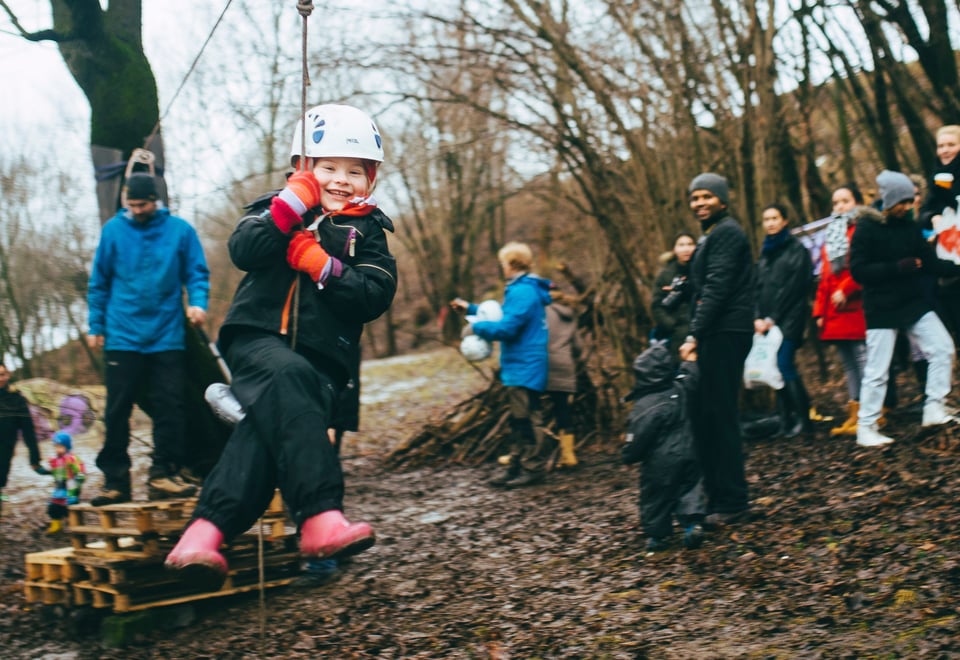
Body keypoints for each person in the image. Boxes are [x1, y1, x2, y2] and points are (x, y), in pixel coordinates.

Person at [164, 104, 397, 589]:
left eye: (355, 172)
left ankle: (204, 534)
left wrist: (322, 265)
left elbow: (375, 295)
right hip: (257, 340)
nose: (340, 180)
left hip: (322, 359)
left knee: (269, 431)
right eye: (328, 167)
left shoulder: (368, 233)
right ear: (303, 166)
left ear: (370, 180)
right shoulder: (277, 206)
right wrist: (291, 206)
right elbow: (244, 250)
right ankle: (319, 518)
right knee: (289, 382)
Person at [86, 172, 209, 505]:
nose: (136, 210)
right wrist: (96, 325)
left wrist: (198, 302)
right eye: (131, 204)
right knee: (116, 410)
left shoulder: (179, 231)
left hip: (166, 334)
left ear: (156, 201)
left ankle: (164, 473)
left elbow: (196, 272)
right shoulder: (113, 231)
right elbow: (99, 281)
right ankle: (115, 481)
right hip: (122, 335)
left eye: (142, 204)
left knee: (171, 405)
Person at [849, 170, 960, 447]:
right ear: (890, 200)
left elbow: (930, 262)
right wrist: (896, 268)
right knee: (877, 369)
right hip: (881, 307)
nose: (909, 206)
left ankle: (934, 407)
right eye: (904, 201)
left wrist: (957, 266)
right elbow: (859, 270)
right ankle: (866, 426)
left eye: (911, 201)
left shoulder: (909, 227)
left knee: (943, 347)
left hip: (912, 303)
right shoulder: (866, 228)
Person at [678, 173, 754, 528]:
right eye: (695, 198)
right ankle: (717, 494)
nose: (700, 203)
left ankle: (733, 501)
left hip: (726, 331)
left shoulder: (727, 232)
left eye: (707, 196)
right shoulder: (711, 235)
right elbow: (704, 282)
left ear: (723, 200)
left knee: (720, 417)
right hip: (717, 331)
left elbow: (718, 286)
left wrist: (694, 334)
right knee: (708, 416)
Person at [451, 241, 552, 488]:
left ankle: (532, 468)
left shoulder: (522, 291)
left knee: (527, 418)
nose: (502, 267)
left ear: (512, 263)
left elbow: (508, 328)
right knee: (519, 418)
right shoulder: (521, 289)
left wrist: (475, 327)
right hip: (521, 363)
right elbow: (507, 317)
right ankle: (518, 465)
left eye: (503, 263)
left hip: (525, 364)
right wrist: (471, 309)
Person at [621, 342, 706, 552]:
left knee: (655, 498)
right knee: (690, 488)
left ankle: (658, 537)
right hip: (690, 452)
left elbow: (638, 437)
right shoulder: (680, 388)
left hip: (660, 463)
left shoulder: (645, 406)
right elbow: (691, 376)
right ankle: (692, 525)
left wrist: (628, 454)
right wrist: (689, 359)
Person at [812, 184, 869, 437]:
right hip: (834, 311)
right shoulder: (831, 235)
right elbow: (824, 278)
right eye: (836, 203)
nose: (840, 207)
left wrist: (846, 289)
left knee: (862, 359)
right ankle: (854, 413)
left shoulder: (863, 230)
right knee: (848, 363)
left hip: (855, 305)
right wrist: (819, 312)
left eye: (845, 201)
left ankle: (870, 413)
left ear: (856, 202)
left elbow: (865, 267)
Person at [754, 203, 815, 437]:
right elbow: (758, 287)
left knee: (784, 364)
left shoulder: (796, 250)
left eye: (774, 218)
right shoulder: (766, 252)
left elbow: (794, 289)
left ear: (784, 221)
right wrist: (757, 317)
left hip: (789, 319)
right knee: (773, 368)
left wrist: (773, 318)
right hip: (766, 323)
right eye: (766, 219)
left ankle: (804, 420)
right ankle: (785, 422)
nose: (770, 223)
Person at [919, 125, 960, 344]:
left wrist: (949, 189)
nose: (945, 150)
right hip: (949, 267)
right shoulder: (936, 178)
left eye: (951, 145)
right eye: (941, 146)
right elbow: (925, 212)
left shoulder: (945, 181)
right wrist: (931, 217)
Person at [0, 363, 48, 514]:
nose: (0, 378)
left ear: (8, 375)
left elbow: (28, 429)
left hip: (4, 449)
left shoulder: (16, 398)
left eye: (2, 374)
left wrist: (35, 458)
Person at [545, 288, 582, 468]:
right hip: (565, 364)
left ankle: (529, 452)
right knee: (562, 410)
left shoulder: (543, 310)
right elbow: (578, 346)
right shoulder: (570, 313)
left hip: (544, 363)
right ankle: (568, 455)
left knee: (532, 406)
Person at [651, 232, 696, 357]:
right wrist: (672, 325)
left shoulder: (702, 270)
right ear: (674, 250)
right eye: (681, 245)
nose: (686, 248)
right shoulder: (665, 275)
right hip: (677, 336)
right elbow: (656, 306)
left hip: (703, 331)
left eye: (690, 244)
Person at [45, 432, 86, 535]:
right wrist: (46, 469)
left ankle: (74, 525)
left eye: (60, 447)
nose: (58, 449)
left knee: (70, 507)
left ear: (67, 446)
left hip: (70, 486)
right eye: (56, 447)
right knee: (53, 506)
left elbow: (80, 469)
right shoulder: (56, 460)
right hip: (59, 487)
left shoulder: (71, 458)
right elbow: (54, 471)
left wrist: (79, 479)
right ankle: (56, 524)